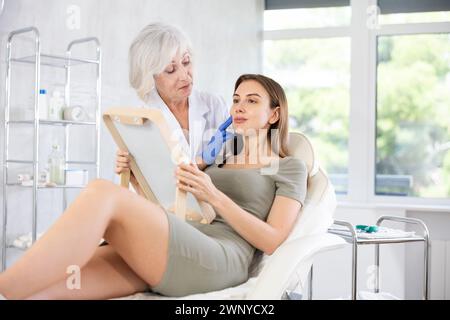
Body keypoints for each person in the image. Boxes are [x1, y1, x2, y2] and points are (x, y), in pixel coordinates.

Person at [0, 74, 307, 299]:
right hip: (178, 240)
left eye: (252, 101)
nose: (239, 106)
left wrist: (214, 195)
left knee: (101, 192)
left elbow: (273, 241)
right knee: (49, 290)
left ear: (274, 114)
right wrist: (136, 177)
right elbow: (170, 203)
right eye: (236, 99)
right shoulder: (218, 157)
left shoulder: (289, 166)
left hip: (220, 256)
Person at [117, 22, 232, 193]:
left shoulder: (215, 105)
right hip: (166, 210)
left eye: (186, 62)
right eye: (170, 69)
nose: (184, 76)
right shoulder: (141, 119)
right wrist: (130, 173)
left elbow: (234, 169)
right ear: (150, 77)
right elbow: (155, 188)